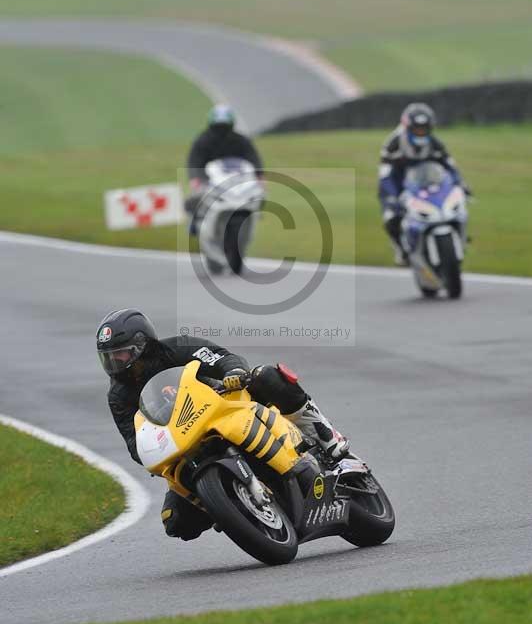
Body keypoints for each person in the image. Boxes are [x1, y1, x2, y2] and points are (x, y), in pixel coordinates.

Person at [97, 308, 349, 542]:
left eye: (120, 354)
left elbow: (221, 358)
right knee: (175, 522)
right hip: (184, 442)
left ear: (143, 345)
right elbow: (134, 440)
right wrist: (151, 450)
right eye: (108, 358)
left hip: (223, 406)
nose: (115, 363)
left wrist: (234, 373)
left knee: (265, 376)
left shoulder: (176, 348)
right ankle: (233, 506)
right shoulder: (118, 396)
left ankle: (325, 434)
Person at [378, 102, 469, 265]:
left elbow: (450, 166)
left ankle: (460, 242)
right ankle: (401, 249)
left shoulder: (435, 143)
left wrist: (460, 184)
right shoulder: (393, 145)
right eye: (417, 129)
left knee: (457, 208)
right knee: (390, 218)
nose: (421, 133)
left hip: (426, 182)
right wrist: (392, 197)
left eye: (424, 129)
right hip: (398, 186)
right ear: (408, 127)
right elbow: (385, 176)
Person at [185, 104, 263, 234]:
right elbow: (195, 161)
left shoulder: (240, 140)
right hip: (210, 180)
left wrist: (259, 176)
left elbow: (253, 158)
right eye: (218, 127)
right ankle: (194, 221)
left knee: (259, 194)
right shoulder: (203, 141)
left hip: (236, 180)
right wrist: (195, 178)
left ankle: (252, 215)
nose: (221, 130)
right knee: (197, 197)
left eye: (224, 127)